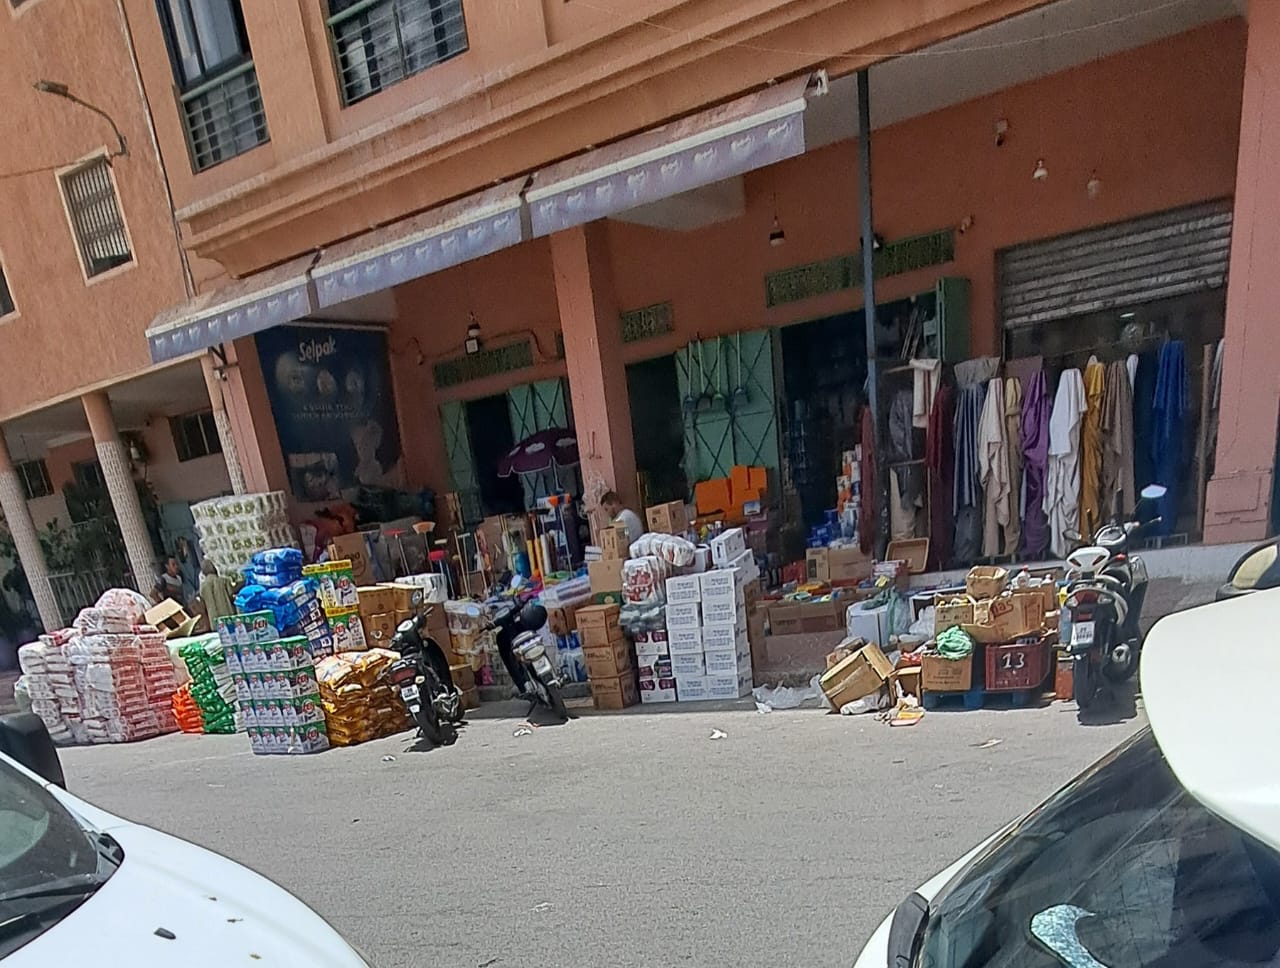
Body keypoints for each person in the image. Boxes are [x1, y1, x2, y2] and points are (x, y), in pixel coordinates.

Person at [198, 559, 238, 624]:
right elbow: (231, 595)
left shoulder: (203, 587)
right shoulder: (224, 581)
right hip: (228, 616)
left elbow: (203, 603)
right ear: (214, 568)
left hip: (214, 621)